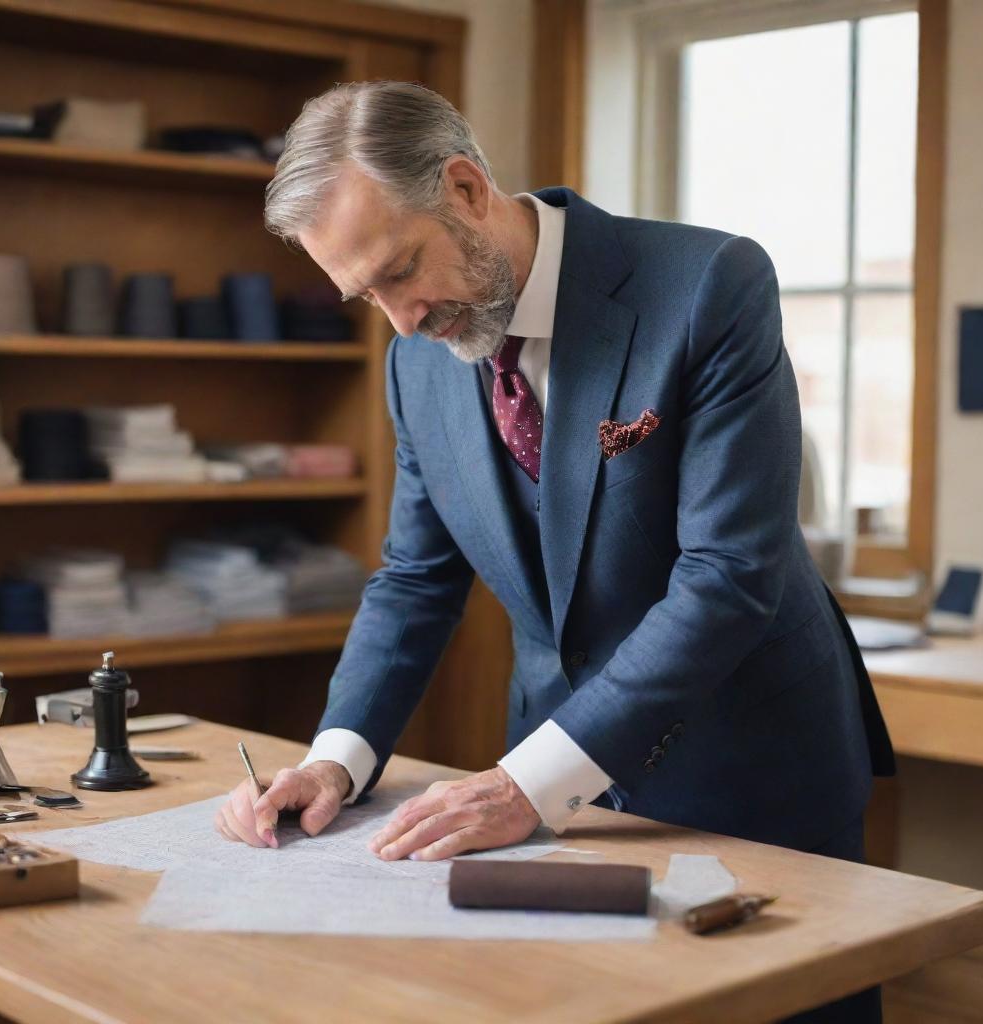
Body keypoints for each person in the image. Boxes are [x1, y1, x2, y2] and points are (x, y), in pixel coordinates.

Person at [216, 81, 894, 1022]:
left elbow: (729, 577)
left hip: (753, 774)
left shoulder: (709, 287)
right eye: (362, 293)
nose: (400, 318)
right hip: (550, 794)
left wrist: (527, 785)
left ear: (463, 188)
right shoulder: (416, 361)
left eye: (401, 268)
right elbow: (415, 579)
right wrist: (336, 759)